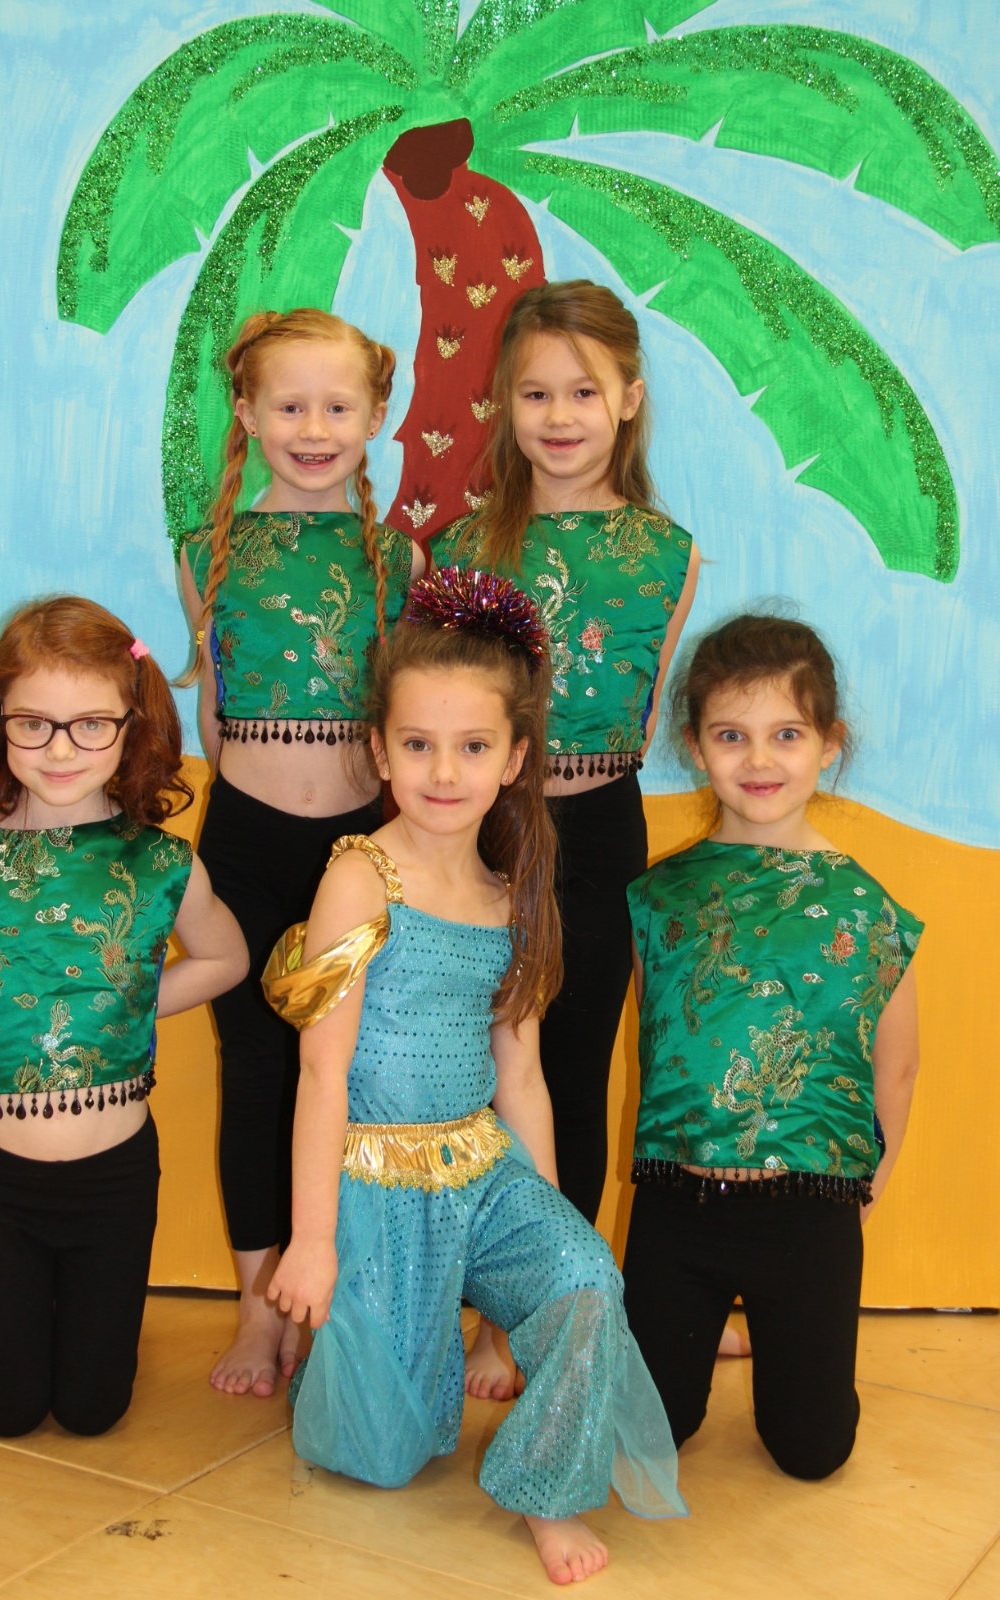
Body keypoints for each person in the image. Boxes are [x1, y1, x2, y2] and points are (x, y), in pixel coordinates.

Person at [261, 568, 685, 1585]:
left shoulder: (510, 894)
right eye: (417, 745)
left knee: (586, 1278)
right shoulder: (360, 874)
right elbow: (321, 1073)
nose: (444, 772)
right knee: (380, 1456)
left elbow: (522, 1075)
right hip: (376, 1180)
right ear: (380, 751)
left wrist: (545, 1235)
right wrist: (312, 1241)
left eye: (473, 747)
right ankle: (345, 1345)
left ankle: (546, 1488)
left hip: (480, 1166)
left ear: (515, 757)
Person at [0, 597, 247, 1437]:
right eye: (34, 724)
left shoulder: (160, 862)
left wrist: (122, 1009)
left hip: (116, 1179)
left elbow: (226, 960)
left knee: (92, 1411)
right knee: (5, 1413)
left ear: (131, 727)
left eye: (90, 725)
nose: (61, 750)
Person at [434, 279, 700, 1396]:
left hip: (598, 831)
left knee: (571, 1073)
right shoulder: (462, 546)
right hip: (482, 829)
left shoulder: (668, 551)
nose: (558, 415)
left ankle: (543, 1314)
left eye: (583, 392)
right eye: (534, 392)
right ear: (504, 402)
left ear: (628, 399)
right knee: (469, 1074)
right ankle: (462, 1307)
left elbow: (639, 710)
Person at [180, 307, 423, 1398]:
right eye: (289, 406)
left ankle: (332, 1295)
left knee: (353, 1073)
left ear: (375, 417)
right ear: (246, 412)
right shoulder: (208, 551)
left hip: (360, 849)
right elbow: (215, 715)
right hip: (246, 837)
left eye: (337, 407)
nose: (313, 429)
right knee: (258, 1069)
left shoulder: (398, 558)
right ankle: (257, 1305)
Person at [621, 613, 923, 1479]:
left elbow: (896, 1064)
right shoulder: (657, 897)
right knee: (653, 1432)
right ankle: (701, 1331)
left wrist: (869, 1185)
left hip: (807, 1210)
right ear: (694, 746)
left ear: (828, 744)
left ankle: (790, 1357)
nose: (758, 760)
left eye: (786, 734)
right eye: (731, 735)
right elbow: (660, 1042)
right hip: (677, 1205)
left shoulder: (865, 905)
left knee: (811, 1451)